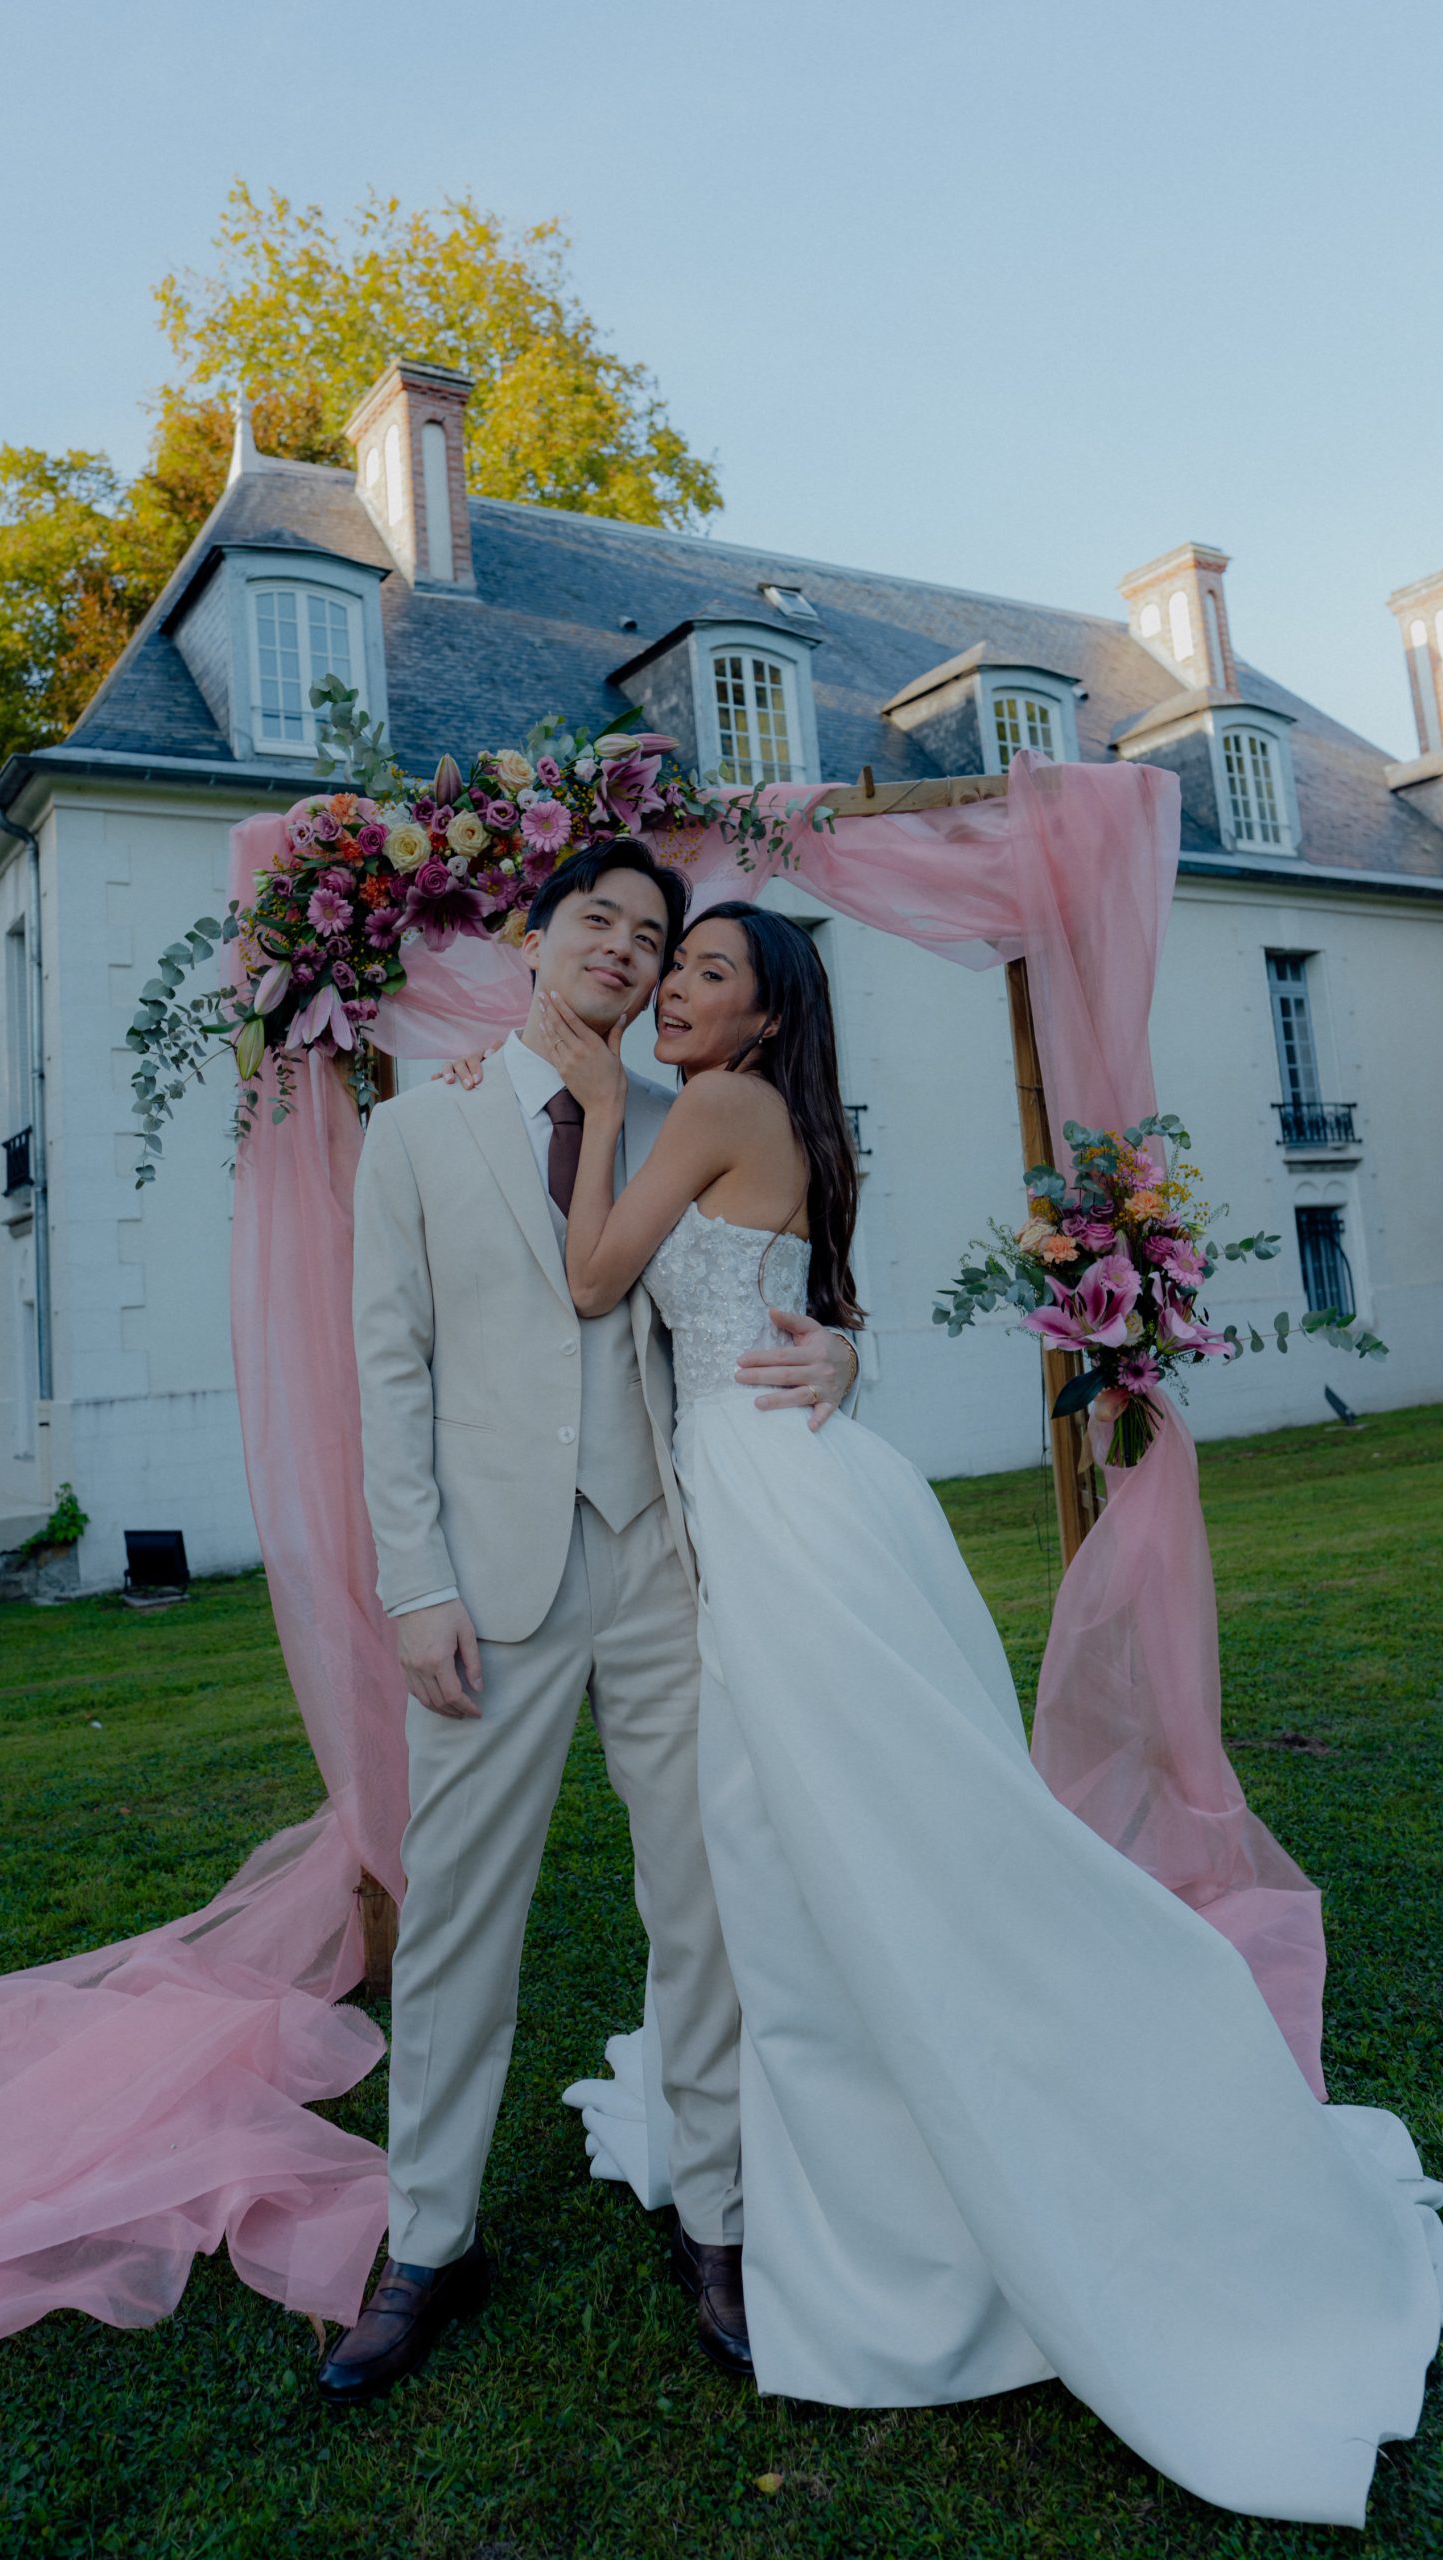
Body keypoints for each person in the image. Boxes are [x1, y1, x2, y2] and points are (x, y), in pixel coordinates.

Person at [535, 897, 1443, 2530]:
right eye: (671, 966)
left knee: (822, 1834)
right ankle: (832, 2128)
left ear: (766, 1017)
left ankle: (891, 2164)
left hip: (773, 1510)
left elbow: (599, 1278)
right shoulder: (772, 1114)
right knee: (841, 1828)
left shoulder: (713, 1105)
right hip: (784, 1486)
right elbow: (785, 1304)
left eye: (706, 973)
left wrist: (604, 1099)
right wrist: (833, 1349)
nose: (672, 987)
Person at [324, 844, 858, 2404]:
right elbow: (390, 1369)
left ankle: (717, 2213)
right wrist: (414, 1585)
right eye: (598, 923)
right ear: (532, 941)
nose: (628, 949)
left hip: (670, 1565)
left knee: (705, 1897)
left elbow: (780, 1289)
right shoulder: (420, 1128)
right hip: (485, 1586)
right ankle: (429, 2239)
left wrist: (840, 1358)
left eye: (656, 935)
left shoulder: (690, 1114)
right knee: (458, 1916)